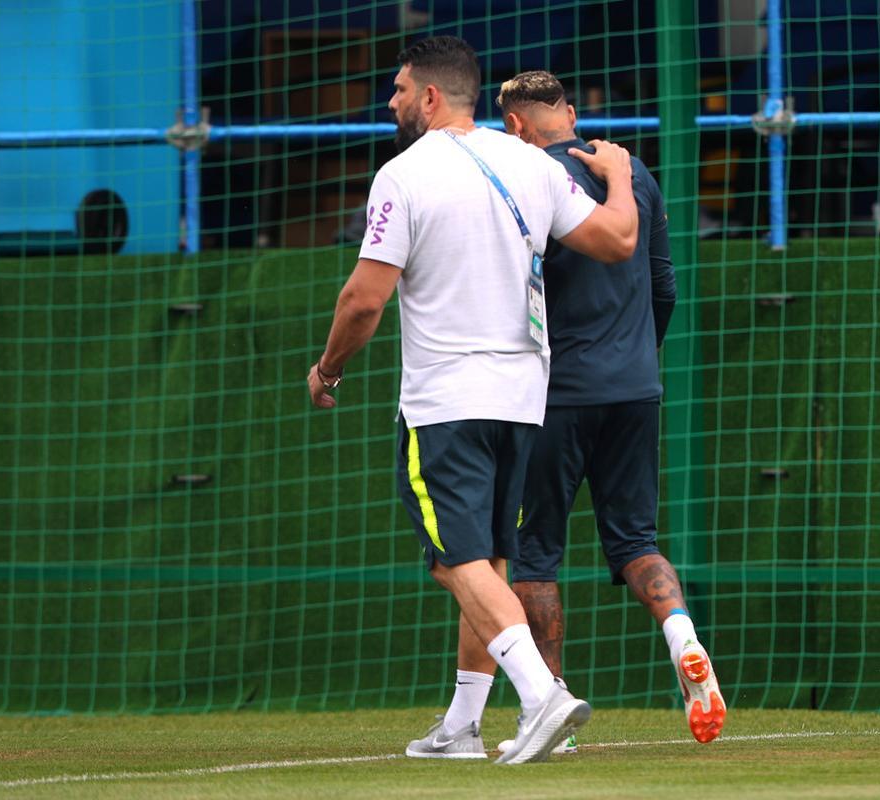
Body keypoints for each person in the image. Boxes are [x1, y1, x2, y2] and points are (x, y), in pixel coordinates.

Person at [306, 38, 640, 764]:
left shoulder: (402, 175)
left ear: (430, 97)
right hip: (523, 397)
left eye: (398, 90)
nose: (390, 101)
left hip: (447, 397)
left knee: (453, 559)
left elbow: (365, 298)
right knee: (484, 560)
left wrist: (329, 369)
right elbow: (618, 239)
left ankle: (541, 694)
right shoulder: (530, 164)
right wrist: (617, 175)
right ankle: (460, 727)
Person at [428, 70, 726, 759]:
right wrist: (637, 360)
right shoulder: (635, 173)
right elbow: (665, 284)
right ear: (569, 111)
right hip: (635, 388)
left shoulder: (525, 180)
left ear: (516, 126)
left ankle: (551, 705)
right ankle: (683, 636)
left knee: (534, 555)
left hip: (555, 395)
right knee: (636, 540)